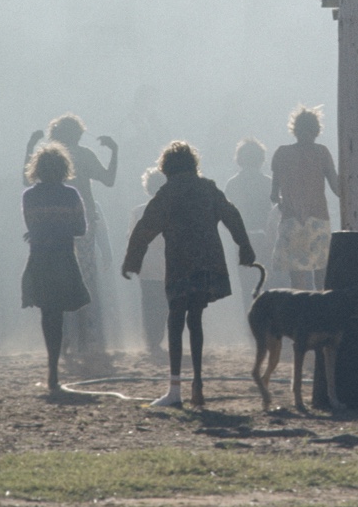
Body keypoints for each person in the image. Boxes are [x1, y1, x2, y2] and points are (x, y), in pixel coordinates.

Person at [122, 141, 255, 408]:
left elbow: (145, 227)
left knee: (175, 318)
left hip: (181, 263)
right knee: (195, 319)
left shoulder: (168, 193)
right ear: (193, 164)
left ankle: (174, 390)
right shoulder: (208, 188)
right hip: (208, 262)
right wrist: (245, 246)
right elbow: (232, 214)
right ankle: (198, 385)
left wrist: (132, 259)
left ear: (167, 167)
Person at [26, 114, 117, 368]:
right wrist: (115, 152)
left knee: (56, 282)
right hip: (81, 224)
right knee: (84, 282)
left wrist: (29, 148)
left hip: (50, 228)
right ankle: (87, 338)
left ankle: (63, 340)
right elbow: (108, 180)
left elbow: (26, 181)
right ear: (77, 133)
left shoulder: (47, 156)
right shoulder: (84, 154)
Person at [21, 142, 90, 394]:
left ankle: (52, 367)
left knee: (47, 313)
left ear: (37, 169)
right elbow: (80, 229)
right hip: (63, 257)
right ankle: (56, 366)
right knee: (60, 312)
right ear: (63, 168)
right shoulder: (71, 194)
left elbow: (32, 225)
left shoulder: (29, 196)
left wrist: (43, 232)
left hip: (39, 258)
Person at [270, 106, 339, 291]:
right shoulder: (322, 153)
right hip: (318, 219)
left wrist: (286, 202)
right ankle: (322, 312)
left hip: (292, 220)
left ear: (295, 130)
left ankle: (301, 314)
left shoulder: (281, 153)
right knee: (321, 275)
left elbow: (273, 195)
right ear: (317, 131)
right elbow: (337, 189)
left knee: (297, 280)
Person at [224, 138, 274, 315]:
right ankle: (268, 324)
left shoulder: (232, 184)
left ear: (240, 159)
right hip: (265, 238)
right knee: (267, 283)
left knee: (246, 287)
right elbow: (275, 214)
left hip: (241, 240)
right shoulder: (269, 182)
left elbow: (228, 218)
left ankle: (252, 326)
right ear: (261, 159)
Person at [128, 167, 168, 361]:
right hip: (167, 264)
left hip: (146, 265)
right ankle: (157, 338)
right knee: (164, 304)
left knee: (149, 303)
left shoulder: (138, 211)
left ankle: (151, 340)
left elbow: (132, 239)